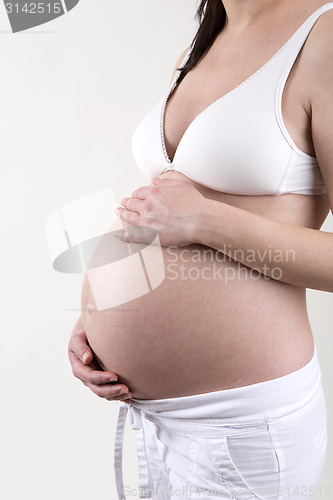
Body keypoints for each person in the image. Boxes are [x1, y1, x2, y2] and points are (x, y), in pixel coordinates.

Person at [68, 1, 333, 498]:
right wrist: (96, 319)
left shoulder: (324, 36)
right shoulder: (205, 39)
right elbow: (168, 198)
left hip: (241, 424)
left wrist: (206, 221)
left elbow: (193, 210)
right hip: (155, 418)